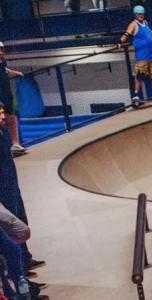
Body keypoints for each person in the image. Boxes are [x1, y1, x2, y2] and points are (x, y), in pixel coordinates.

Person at [0, 103, 47, 299]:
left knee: (20, 223)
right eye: (0, 113)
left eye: (3, 112)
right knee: (9, 245)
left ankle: (24, 268)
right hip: (3, 191)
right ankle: (19, 284)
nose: (3, 116)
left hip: (10, 184)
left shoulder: (2, 134)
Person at [118, 5, 152, 101]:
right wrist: (120, 42)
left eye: (142, 14)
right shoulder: (133, 25)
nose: (141, 16)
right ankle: (136, 95)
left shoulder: (145, 22)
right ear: (135, 15)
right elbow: (127, 34)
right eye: (139, 14)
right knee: (139, 77)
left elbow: (148, 30)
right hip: (142, 56)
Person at [0, 41, 27, 156]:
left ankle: (15, 144)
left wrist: (17, 73)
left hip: (6, 94)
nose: (1, 52)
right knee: (3, 118)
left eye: (2, 50)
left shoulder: (3, 62)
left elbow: (6, 72)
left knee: (11, 117)